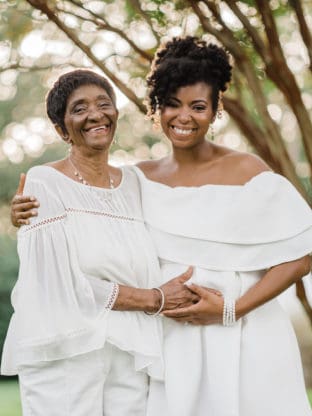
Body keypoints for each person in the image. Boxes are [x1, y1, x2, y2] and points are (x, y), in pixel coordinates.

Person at [10, 38, 312, 416]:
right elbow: (83, 202)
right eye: (172, 104)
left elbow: (299, 257)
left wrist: (230, 310)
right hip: (171, 338)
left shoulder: (249, 171)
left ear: (216, 111)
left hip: (244, 332)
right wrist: (27, 213)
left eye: (198, 106)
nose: (184, 117)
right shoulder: (137, 179)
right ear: (156, 107)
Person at [1, 69, 198, 416]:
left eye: (103, 104)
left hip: (131, 345)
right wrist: (156, 298)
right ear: (62, 128)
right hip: (68, 349)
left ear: (115, 115)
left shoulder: (136, 183)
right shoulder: (44, 182)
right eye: (79, 109)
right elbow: (58, 284)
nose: (94, 114)